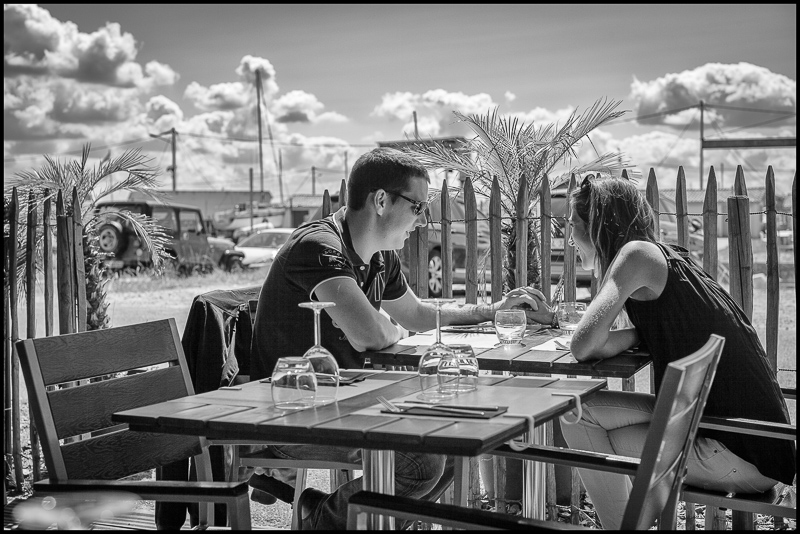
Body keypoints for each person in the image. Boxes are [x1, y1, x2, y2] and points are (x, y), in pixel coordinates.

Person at [248, 147, 546, 530]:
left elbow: (416, 315)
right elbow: (371, 335)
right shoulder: (319, 248)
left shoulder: (380, 255)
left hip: (345, 403)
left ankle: (340, 517)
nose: (422, 222)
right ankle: (319, 519)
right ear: (381, 201)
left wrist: (494, 310)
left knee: (459, 440)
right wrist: (389, 330)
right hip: (290, 416)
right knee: (421, 463)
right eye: (417, 207)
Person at [524, 175, 795, 530]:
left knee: (579, 416)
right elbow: (615, 339)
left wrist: (608, 335)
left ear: (598, 224)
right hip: (754, 439)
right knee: (579, 411)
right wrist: (562, 320)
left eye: (572, 224)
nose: (569, 237)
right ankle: (629, 523)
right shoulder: (663, 256)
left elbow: (583, 345)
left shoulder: (636, 255)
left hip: (740, 452)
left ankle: (624, 526)